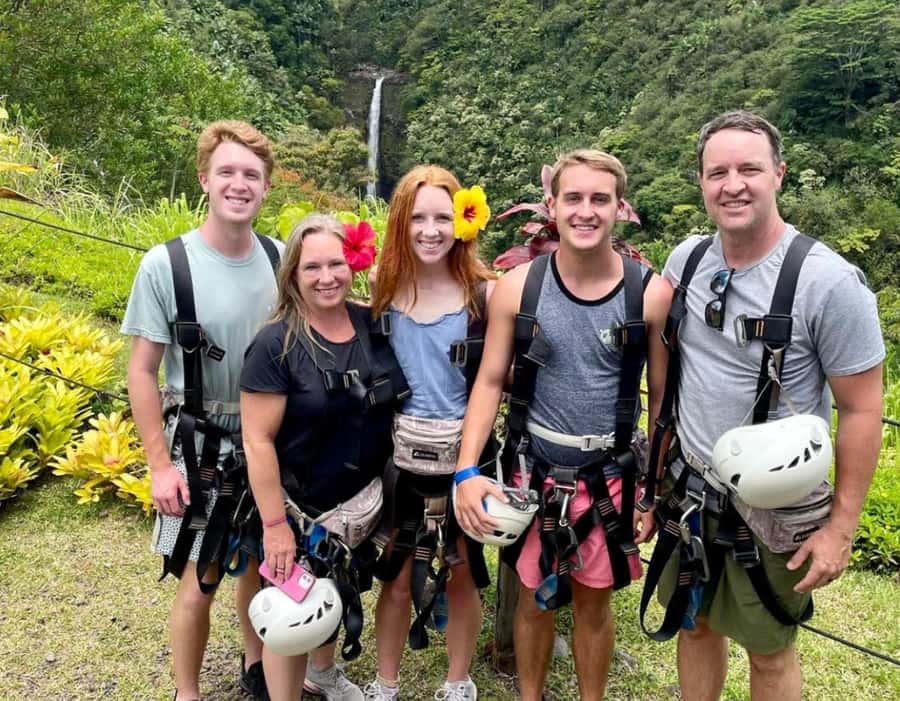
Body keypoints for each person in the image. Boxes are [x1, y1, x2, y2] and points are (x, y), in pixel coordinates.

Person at [644, 110, 884, 700]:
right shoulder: (688, 262)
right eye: (717, 171)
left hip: (776, 502)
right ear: (700, 182)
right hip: (691, 488)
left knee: (770, 650)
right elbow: (663, 361)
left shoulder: (829, 283)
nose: (733, 184)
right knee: (693, 623)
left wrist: (842, 530)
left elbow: (862, 410)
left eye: (749, 168)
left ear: (778, 173)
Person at [454, 149, 672, 701]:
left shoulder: (649, 294)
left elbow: (663, 402)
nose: (585, 211)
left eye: (600, 199)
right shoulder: (519, 287)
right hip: (535, 472)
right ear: (551, 205)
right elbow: (488, 380)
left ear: (620, 208)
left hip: (611, 474)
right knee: (534, 594)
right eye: (573, 198)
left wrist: (653, 492)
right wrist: (465, 470)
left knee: (594, 603)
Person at [122, 120, 281, 701]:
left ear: (265, 189)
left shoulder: (279, 257)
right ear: (205, 181)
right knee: (200, 577)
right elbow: (141, 371)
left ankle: (255, 662)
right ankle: (187, 692)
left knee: (263, 560)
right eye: (228, 172)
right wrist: (159, 466)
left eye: (252, 175)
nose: (239, 185)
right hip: (198, 442)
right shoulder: (166, 266)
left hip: (268, 441)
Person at [241, 213, 406, 701]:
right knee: (292, 616)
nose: (326, 276)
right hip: (298, 507)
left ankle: (325, 672)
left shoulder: (372, 323)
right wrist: (274, 526)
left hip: (360, 502)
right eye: (312, 267)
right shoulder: (276, 344)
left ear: (353, 264)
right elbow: (257, 440)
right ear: (292, 273)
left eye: (337, 263)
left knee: (335, 592)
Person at [364, 165, 496, 701]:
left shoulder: (483, 294)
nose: (431, 230)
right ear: (400, 222)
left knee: (462, 569)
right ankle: (384, 681)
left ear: (464, 221)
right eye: (417, 217)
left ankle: (458, 678)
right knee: (394, 572)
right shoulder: (383, 287)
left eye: (443, 217)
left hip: (465, 451)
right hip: (398, 456)